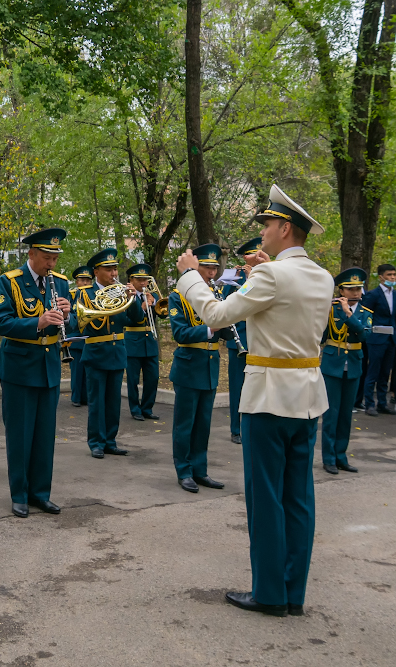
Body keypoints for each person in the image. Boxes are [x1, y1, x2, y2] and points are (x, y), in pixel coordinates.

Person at [175, 184, 332, 617]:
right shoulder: (321, 275)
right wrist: (265, 271)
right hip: (307, 397)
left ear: (284, 228)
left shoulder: (272, 275)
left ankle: (268, 594)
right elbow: (287, 306)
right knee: (298, 499)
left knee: (266, 499)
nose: (261, 232)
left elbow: (216, 315)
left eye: (266, 225)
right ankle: (292, 593)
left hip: (267, 400)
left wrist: (190, 276)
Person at [0, 229, 71, 518]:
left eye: (55, 258)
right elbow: (1, 323)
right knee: (20, 434)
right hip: (19, 369)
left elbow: (67, 326)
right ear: (32, 254)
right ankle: (20, 494)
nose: (51, 264)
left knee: (44, 436)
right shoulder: (9, 281)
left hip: (48, 367)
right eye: (47, 258)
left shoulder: (60, 284)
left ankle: (41, 493)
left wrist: (68, 313)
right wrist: (37, 322)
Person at [72, 248, 144, 459]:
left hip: (117, 351)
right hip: (96, 351)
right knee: (97, 402)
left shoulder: (122, 291)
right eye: (109, 269)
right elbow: (81, 325)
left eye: (114, 269)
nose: (114, 273)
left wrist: (133, 299)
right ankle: (96, 441)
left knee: (113, 401)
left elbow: (137, 319)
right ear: (96, 272)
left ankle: (110, 441)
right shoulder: (85, 294)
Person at [168, 245, 225, 493]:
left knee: (203, 424)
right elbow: (180, 332)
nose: (211, 274)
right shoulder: (177, 296)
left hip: (210, 367)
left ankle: (200, 470)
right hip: (189, 366)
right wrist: (212, 329)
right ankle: (184, 471)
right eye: (206, 268)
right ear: (195, 267)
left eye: (214, 268)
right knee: (185, 424)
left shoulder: (217, 295)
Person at [321, 267, 371, 475]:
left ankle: (341, 456)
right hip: (332, 365)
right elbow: (321, 335)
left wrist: (349, 315)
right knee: (331, 414)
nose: (356, 292)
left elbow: (364, 336)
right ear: (341, 291)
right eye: (351, 289)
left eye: (358, 288)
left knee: (346, 415)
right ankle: (329, 458)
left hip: (354, 366)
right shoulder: (330, 310)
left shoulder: (365, 313)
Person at [222, 238, 262, 444]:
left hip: (262, 339)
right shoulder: (235, 278)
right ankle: (236, 429)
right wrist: (245, 280)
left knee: (259, 386)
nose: (256, 261)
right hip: (240, 339)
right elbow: (226, 303)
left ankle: (254, 426)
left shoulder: (269, 275)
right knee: (238, 385)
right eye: (252, 257)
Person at [124, 263, 163, 421]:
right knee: (133, 379)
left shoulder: (153, 295)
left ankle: (147, 408)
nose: (143, 283)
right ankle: (135, 409)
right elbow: (126, 319)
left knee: (152, 377)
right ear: (131, 280)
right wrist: (142, 308)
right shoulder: (125, 296)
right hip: (133, 341)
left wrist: (153, 304)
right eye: (139, 279)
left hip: (150, 342)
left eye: (145, 280)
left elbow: (164, 314)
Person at [360, 263, 396, 416]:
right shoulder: (373, 295)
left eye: (394, 275)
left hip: (391, 340)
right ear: (381, 277)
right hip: (376, 339)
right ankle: (369, 404)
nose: (392, 278)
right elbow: (366, 316)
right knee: (373, 372)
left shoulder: (395, 294)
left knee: (385, 373)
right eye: (389, 275)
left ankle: (382, 403)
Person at [67, 266, 93, 407]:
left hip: (90, 338)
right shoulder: (71, 294)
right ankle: (76, 397)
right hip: (76, 338)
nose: (85, 283)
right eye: (82, 280)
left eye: (88, 280)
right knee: (77, 371)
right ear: (77, 282)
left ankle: (86, 397)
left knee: (88, 371)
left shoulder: (94, 294)